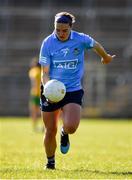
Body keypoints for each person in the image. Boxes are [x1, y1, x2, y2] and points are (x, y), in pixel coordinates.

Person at [39, 12, 115, 169]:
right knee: (49, 129)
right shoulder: (47, 43)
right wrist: (48, 89)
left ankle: (65, 133)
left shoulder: (81, 39)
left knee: (72, 126)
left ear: (71, 28)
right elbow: (44, 72)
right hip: (51, 89)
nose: (60, 33)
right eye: (57, 30)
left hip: (72, 90)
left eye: (64, 30)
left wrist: (105, 57)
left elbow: (96, 45)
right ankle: (50, 162)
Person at [28, 57, 43, 132]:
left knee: (34, 111)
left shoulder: (33, 71)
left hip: (34, 93)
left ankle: (35, 126)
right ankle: (43, 126)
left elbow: (33, 82)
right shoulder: (42, 71)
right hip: (42, 93)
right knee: (42, 111)